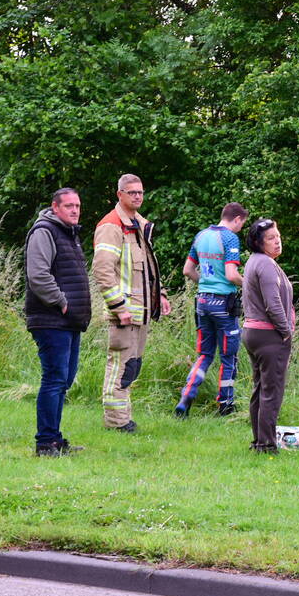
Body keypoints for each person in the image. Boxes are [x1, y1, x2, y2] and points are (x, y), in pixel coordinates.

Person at [92, 173, 171, 434]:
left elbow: (146, 270)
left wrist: (160, 296)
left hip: (140, 313)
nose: (137, 196)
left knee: (131, 367)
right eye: (132, 192)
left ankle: (123, 418)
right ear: (120, 195)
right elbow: (103, 271)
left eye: (140, 192)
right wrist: (119, 308)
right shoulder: (111, 225)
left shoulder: (137, 225)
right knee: (120, 367)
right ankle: (117, 422)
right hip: (125, 314)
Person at [23, 188, 91, 456]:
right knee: (54, 379)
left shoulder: (69, 234)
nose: (74, 210)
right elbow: (37, 275)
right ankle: (45, 443)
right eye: (69, 206)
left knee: (64, 379)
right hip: (50, 318)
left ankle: (55, 439)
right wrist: (62, 302)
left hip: (69, 321)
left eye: (77, 205)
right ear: (55, 207)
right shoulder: (44, 231)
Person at [175, 202, 249, 418]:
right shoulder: (229, 238)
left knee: (204, 354)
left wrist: (205, 282)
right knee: (229, 357)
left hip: (202, 302)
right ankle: (226, 405)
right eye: (241, 224)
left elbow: (188, 270)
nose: (240, 229)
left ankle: (187, 395)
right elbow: (231, 275)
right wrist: (250, 285)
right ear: (236, 219)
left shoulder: (201, 236)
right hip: (223, 305)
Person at [241, 219, 294, 453]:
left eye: (278, 236)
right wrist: (285, 331)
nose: (277, 241)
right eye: (271, 238)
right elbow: (273, 304)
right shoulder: (265, 265)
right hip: (268, 335)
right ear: (258, 242)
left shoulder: (256, 262)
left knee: (261, 389)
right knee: (271, 392)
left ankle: (259, 441)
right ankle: (266, 445)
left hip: (253, 332)